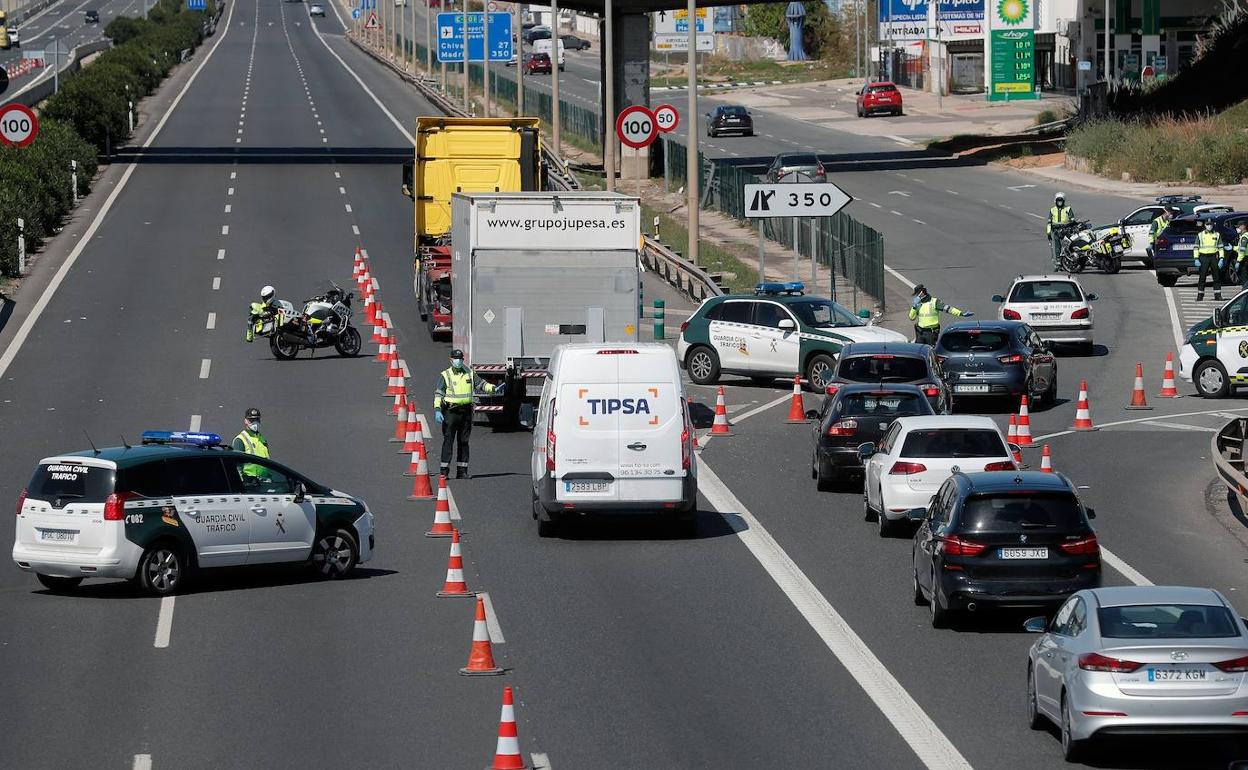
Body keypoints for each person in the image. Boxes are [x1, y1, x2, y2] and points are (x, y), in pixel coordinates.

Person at [433, 350, 503, 479]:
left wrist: (493, 388)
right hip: (451, 412)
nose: (458, 361)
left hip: (466, 412)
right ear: (451, 360)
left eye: (460, 358)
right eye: (455, 358)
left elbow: (481, 384)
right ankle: (444, 471)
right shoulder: (445, 375)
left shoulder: (470, 373)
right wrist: (437, 409)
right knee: (448, 441)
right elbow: (439, 393)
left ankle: (462, 471)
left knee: (464, 441)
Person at [231, 407, 271, 483]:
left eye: (256, 420)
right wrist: (240, 483)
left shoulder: (262, 439)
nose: (254, 423)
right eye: (251, 420)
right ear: (245, 421)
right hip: (248, 482)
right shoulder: (240, 440)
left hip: (264, 481)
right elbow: (237, 466)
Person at [1194, 219, 1224, 302]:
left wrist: (1221, 258)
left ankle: (1218, 295)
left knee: (1216, 276)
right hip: (1203, 257)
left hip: (1214, 257)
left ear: (1213, 224)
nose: (1209, 226)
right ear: (1205, 225)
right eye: (1207, 224)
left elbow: (1221, 247)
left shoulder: (1217, 234)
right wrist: (1196, 258)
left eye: (1210, 224)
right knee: (1202, 277)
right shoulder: (1200, 235)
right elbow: (1196, 248)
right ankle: (1200, 295)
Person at [1047, 193, 1076, 269]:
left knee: (1068, 246)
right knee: (1057, 247)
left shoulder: (1068, 209)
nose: (1059, 202)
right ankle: (1058, 263)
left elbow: (1072, 220)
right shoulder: (1052, 210)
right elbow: (1049, 222)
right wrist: (1048, 233)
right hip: (1056, 231)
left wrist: (1068, 225)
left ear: (1064, 201)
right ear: (1055, 201)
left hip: (1066, 231)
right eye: (1058, 201)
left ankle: (1070, 261)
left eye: (1061, 201)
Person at [1233, 221, 1248, 290]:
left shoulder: (1244, 237)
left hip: (1245, 259)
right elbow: (1240, 248)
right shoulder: (1243, 236)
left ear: (1243, 227)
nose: (1237, 228)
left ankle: (1245, 291)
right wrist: (1233, 248)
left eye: (1238, 226)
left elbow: (1242, 251)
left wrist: (1238, 261)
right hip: (1245, 258)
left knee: (1244, 276)